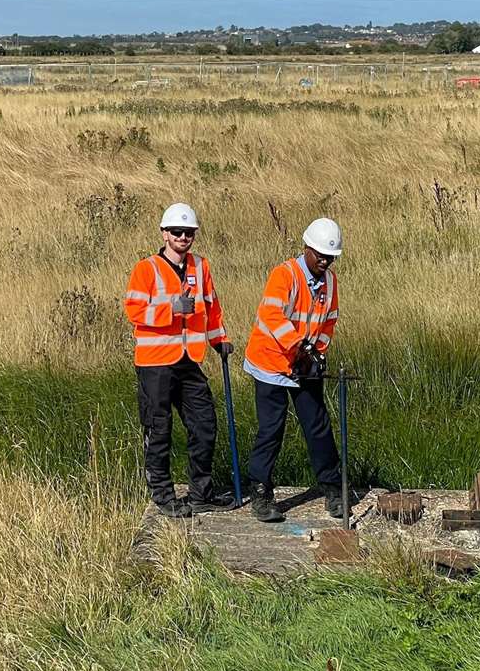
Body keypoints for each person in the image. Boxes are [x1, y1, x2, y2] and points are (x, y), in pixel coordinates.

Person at [123, 203, 237, 518]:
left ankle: (201, 494)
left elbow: (211, 308)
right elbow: (133, 310)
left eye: (188, 232)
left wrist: (220, 339)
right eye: (177, 232)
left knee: (204, 425)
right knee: (158, 428)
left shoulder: (201, 267)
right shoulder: (146, 268)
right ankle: (163, 495)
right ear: (164, 233)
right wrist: (169, 310)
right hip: (154, 362)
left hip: (189, 360)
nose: (183, 237)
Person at [242, 217, 345, 523]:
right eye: (320, 256)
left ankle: (333, 490)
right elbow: (271, 316)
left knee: (317, 426)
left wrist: (317, 354)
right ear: (307, 248)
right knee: (271, 429)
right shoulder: (285, 274)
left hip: (303, 366)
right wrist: (301, 348)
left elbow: (329, 321)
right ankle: (261, 493)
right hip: (270, 363)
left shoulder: (330, 282)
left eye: (331, 257)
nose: (325, 261)